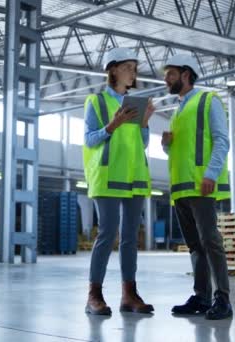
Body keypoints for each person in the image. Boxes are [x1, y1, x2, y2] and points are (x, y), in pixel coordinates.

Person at [83, 47, 155, 316]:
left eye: (135, 68)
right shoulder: (97, 102)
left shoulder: (134, 105)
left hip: (134, 177)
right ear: (112, 69)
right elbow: (90, 139)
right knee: (107, 234)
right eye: (128, 67)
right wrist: (111, 126)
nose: (132, 72)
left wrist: (145, 123)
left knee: (129, 239)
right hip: (109, 176)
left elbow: (142, 143)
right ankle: (94, 295)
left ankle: (129, 294)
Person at [161, 54, 233, 320]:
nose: (166, 79)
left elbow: (222, 140)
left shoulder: (208, 100)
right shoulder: (178, 110)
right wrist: (166, 144)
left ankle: (222, 299)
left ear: (185, 74)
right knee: (194, 245)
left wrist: (211, 174)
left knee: (210, 241)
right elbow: (179, 151)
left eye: (170, 74)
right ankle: (201, 297)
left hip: (201, 184)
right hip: (180, 188)